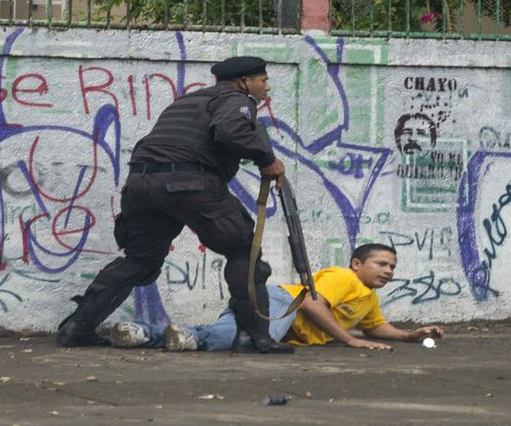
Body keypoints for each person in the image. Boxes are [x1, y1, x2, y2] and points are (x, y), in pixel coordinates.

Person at [56, 56, 293, 354]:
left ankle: (77, 327)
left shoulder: (189, 101)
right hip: (189, 183)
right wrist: (268, 161)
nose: (266, 87)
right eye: (262, 80)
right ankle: (255, 337)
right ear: (244, 82)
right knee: (243, 251)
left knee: (140, 259)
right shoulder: (237, 99)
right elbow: (230, 130)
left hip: (141, 185)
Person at [106, 243, 444, 352]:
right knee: (238, 338)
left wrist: (409, 335)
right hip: (282, 302)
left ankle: (141, 333)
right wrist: (349, 342)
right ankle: (184, 335)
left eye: (392, 267)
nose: (388, 271)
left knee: (231, 335)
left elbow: (375, 328)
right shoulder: (345, 278)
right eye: (381, 264)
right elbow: (312, 303)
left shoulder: (367, 298)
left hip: (281, 310)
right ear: (357, 264)